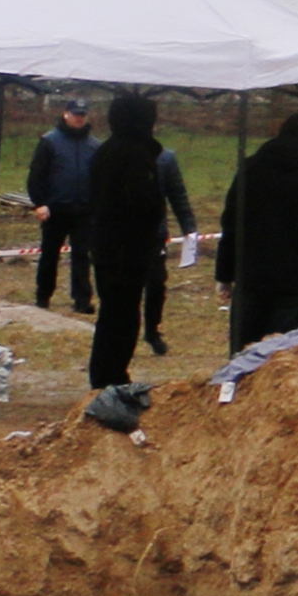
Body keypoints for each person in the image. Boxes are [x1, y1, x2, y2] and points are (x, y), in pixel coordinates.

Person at [215, 113, 298, 351]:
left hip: (251, 277)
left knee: (243, 353)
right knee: (281, 357)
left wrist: (224, 273)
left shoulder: (250, 168)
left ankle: (238, 388)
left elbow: (231, 222)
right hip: (295, 284)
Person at [82, 93, 175, 390]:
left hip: (107, 243)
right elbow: (140, 202)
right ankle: (111, 375)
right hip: (127, 246)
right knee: (122, 313)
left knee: (114, 311)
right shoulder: (133, 155)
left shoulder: (106, 151)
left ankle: (108, 373)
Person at [23, 94, 98, 313]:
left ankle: (82, 300)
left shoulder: (94, 145)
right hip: (54, 210)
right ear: (66, 114)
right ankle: (43, 296)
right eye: (76, 114)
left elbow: (98, 178)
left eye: (82, 115)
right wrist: (39, 203)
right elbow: (36, 176)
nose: (79, 119)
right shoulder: (49, 141)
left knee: (82, 257)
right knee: (49, 254)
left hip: (83, 210)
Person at [145, 136, 198, 355]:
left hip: (155, 234)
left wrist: (188, 225)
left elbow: (177, 194)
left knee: (156, 284)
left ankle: (152, 330)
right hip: (122, 235)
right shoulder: (113, 154)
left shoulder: (165, 158)